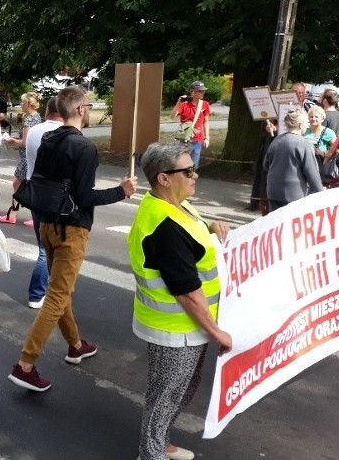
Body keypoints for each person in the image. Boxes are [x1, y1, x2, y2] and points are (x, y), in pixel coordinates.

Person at [7, 86, 137, 392]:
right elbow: (83, 196)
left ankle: (75, 344)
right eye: (88, 106)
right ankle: (25, 364)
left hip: (47, 224)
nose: (90, 110)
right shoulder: (84, 148)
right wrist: (122, 192)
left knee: (58, 289)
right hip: (72, 229)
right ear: (80, 110)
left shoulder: (47, 137)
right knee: (56, 295)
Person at [129, 141, 233, 460]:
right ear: (163, 178)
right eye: (188, 171)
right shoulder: (164, 226)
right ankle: (151, 454)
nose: (195, 175)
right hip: (175, 332)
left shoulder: (175, 204)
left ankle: (160, 443)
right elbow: (187, 292)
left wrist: (212, 229)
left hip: (188, 329)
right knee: (165, 396)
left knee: (181, 391)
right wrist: (217, 334)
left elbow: (193, 239)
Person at [21, 96, 64, 309]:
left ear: (47, 110)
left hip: (35, 193)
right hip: (54, 197)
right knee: (48, 250)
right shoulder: (64, 133)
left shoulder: (36, 130)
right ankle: (38, 294)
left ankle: (41, 291)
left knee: (43, 246)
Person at [263, 108, 324, 212]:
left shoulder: (276, 140)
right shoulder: (305, 144)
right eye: (306, 123)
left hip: (273, 192)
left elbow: (265, 165)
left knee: (276, 225)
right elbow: (313, 175)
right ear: (300, 125)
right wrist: (320, 192)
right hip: (294, 195)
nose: (308, 125)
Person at [0, 92, 43, 225]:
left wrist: (11, 141)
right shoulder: (37, 117)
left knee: (18, 184)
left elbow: (25, 142)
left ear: (29, 104)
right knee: (27, 186)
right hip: (33, 155)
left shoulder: (29, 120)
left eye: (23, 102)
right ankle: (26, 215)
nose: (21, 104)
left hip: (26, 157)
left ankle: (16, 215)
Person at [169, 81, 211, 169]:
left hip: (197, 139)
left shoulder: (205, 104)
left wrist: (207, 138)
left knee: (193, 166)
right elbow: (172, 117)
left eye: (203, 91)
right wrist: (178, 102)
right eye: (200, 91)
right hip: (184, 139)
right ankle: (182, 181)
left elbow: (206, 121)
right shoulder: (184, 104)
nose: (203, 93)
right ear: (193, 92)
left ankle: (190, 180)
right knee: (182, 165)